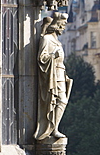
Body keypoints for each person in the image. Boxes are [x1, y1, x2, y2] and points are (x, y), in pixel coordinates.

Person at [34, 12, 73, 140]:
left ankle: (54, 127)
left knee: (62, 101)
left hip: (60, 74)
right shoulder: (47, 39)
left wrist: (65, 75)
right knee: (60, 100)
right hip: (52, 74)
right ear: (57, 25)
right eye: (62, 25)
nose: (64, 28)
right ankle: (52, 129)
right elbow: (41, 58)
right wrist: (53, 57)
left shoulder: (56, 40)